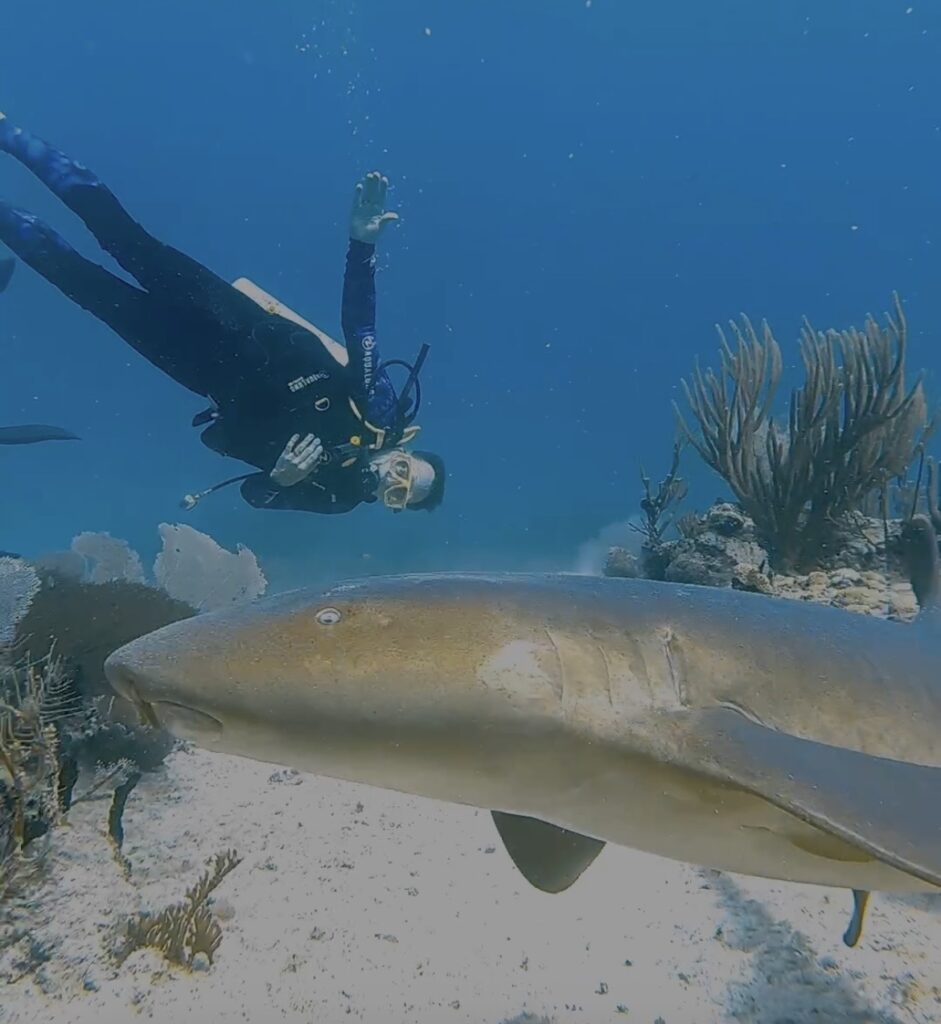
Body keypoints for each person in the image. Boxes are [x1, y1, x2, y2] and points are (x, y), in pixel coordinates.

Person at [0, 113, 445, 515]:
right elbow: (360, 326)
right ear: (404, 450)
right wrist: (362, 246)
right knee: (127, 238)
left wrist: (280, 478)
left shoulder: (336, 495)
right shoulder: (377, 409)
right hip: (230, 315)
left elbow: (255, 496)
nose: (391, 480)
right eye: (404, 471)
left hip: (195, 366)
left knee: (83, 284)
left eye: (398, 494)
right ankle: (9, 133)